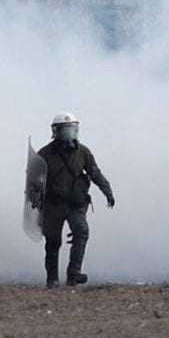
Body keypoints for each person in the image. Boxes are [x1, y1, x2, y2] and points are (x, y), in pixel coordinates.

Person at [36, 112, 115, 288]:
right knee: (53, 241)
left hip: (75, 203)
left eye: (72, 130)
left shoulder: (83, 152)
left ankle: (73, 274)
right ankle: (52, 279)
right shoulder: (44, 155)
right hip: (53, 205)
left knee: (81, 231)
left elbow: (95, 173)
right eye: (65, 130)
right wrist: (35, 205)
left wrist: (107, 191)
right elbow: (35, 182)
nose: (69, 134)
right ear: (56, 132)